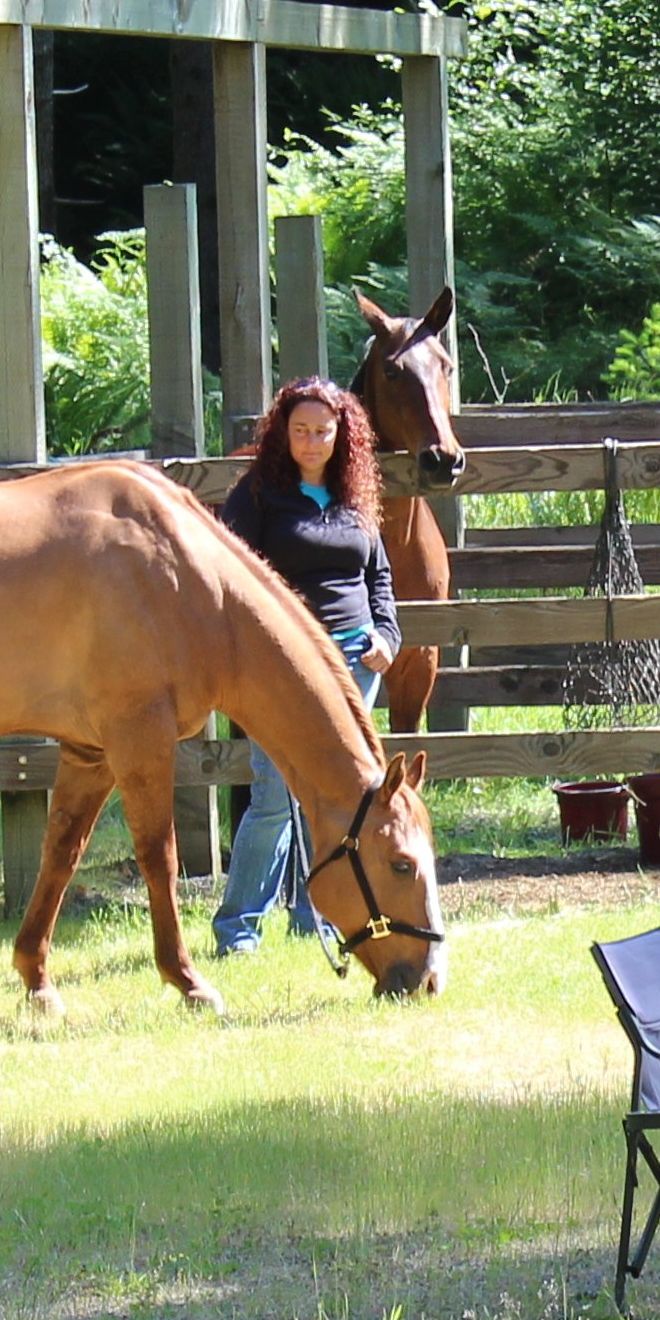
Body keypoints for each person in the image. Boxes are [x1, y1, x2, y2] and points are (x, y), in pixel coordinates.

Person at [210, 376, 400, 958]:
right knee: (273, 795)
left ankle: (316, 916)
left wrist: (388, 636)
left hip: (354, 664)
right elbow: (231, 576)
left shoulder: (355, 495)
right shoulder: (257, 496)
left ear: (342, 435)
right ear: (283, 434)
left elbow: (379, 578)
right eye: (301, 431)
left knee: (338, 796)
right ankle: (238, 929)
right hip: (282, 669)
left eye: (323, 431)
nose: (312, 442)